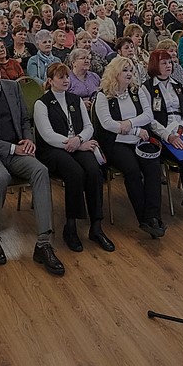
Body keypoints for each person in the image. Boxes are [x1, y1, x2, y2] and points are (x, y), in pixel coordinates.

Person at [0, 52, 65, 276]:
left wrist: (28, 139)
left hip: (17, 147)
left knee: (40, 170)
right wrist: (12, 148)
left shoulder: (12, 87)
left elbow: (23, 120)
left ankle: (43, 244)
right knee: (0, 177)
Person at [33, 63, 115, 252]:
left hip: (77, 144)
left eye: (67, 77)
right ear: (50, 81)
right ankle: (70, 226)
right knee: (75, 173)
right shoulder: (42, 103)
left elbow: (89, 127)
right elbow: (47, 135)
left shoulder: (75, 99)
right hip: (53, 150)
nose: (65, 80)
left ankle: (96, 226)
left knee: (95, 171)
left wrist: (78, 140)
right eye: (60, 77)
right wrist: (74, 142)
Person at [95, 57, 166, 238]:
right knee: (132, 170)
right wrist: (134, 129)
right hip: (115, 142)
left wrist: (128, 123)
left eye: (131, 70)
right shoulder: (103, 95)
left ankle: (154, 216)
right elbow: (107, 124)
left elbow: (148, 115)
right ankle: (144, 218)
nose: (129, 74)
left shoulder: (137, 90)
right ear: (115, 73)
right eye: (125, 70)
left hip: (139, 140)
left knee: (153, 168)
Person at [143, 49, 183, 227]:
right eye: (163, 63)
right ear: (155, 65)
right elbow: (151, 120)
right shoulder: (147, 88)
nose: (168, 66)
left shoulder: (177, 85)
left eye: (170, 62)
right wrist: (168, 136)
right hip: (163, 135)